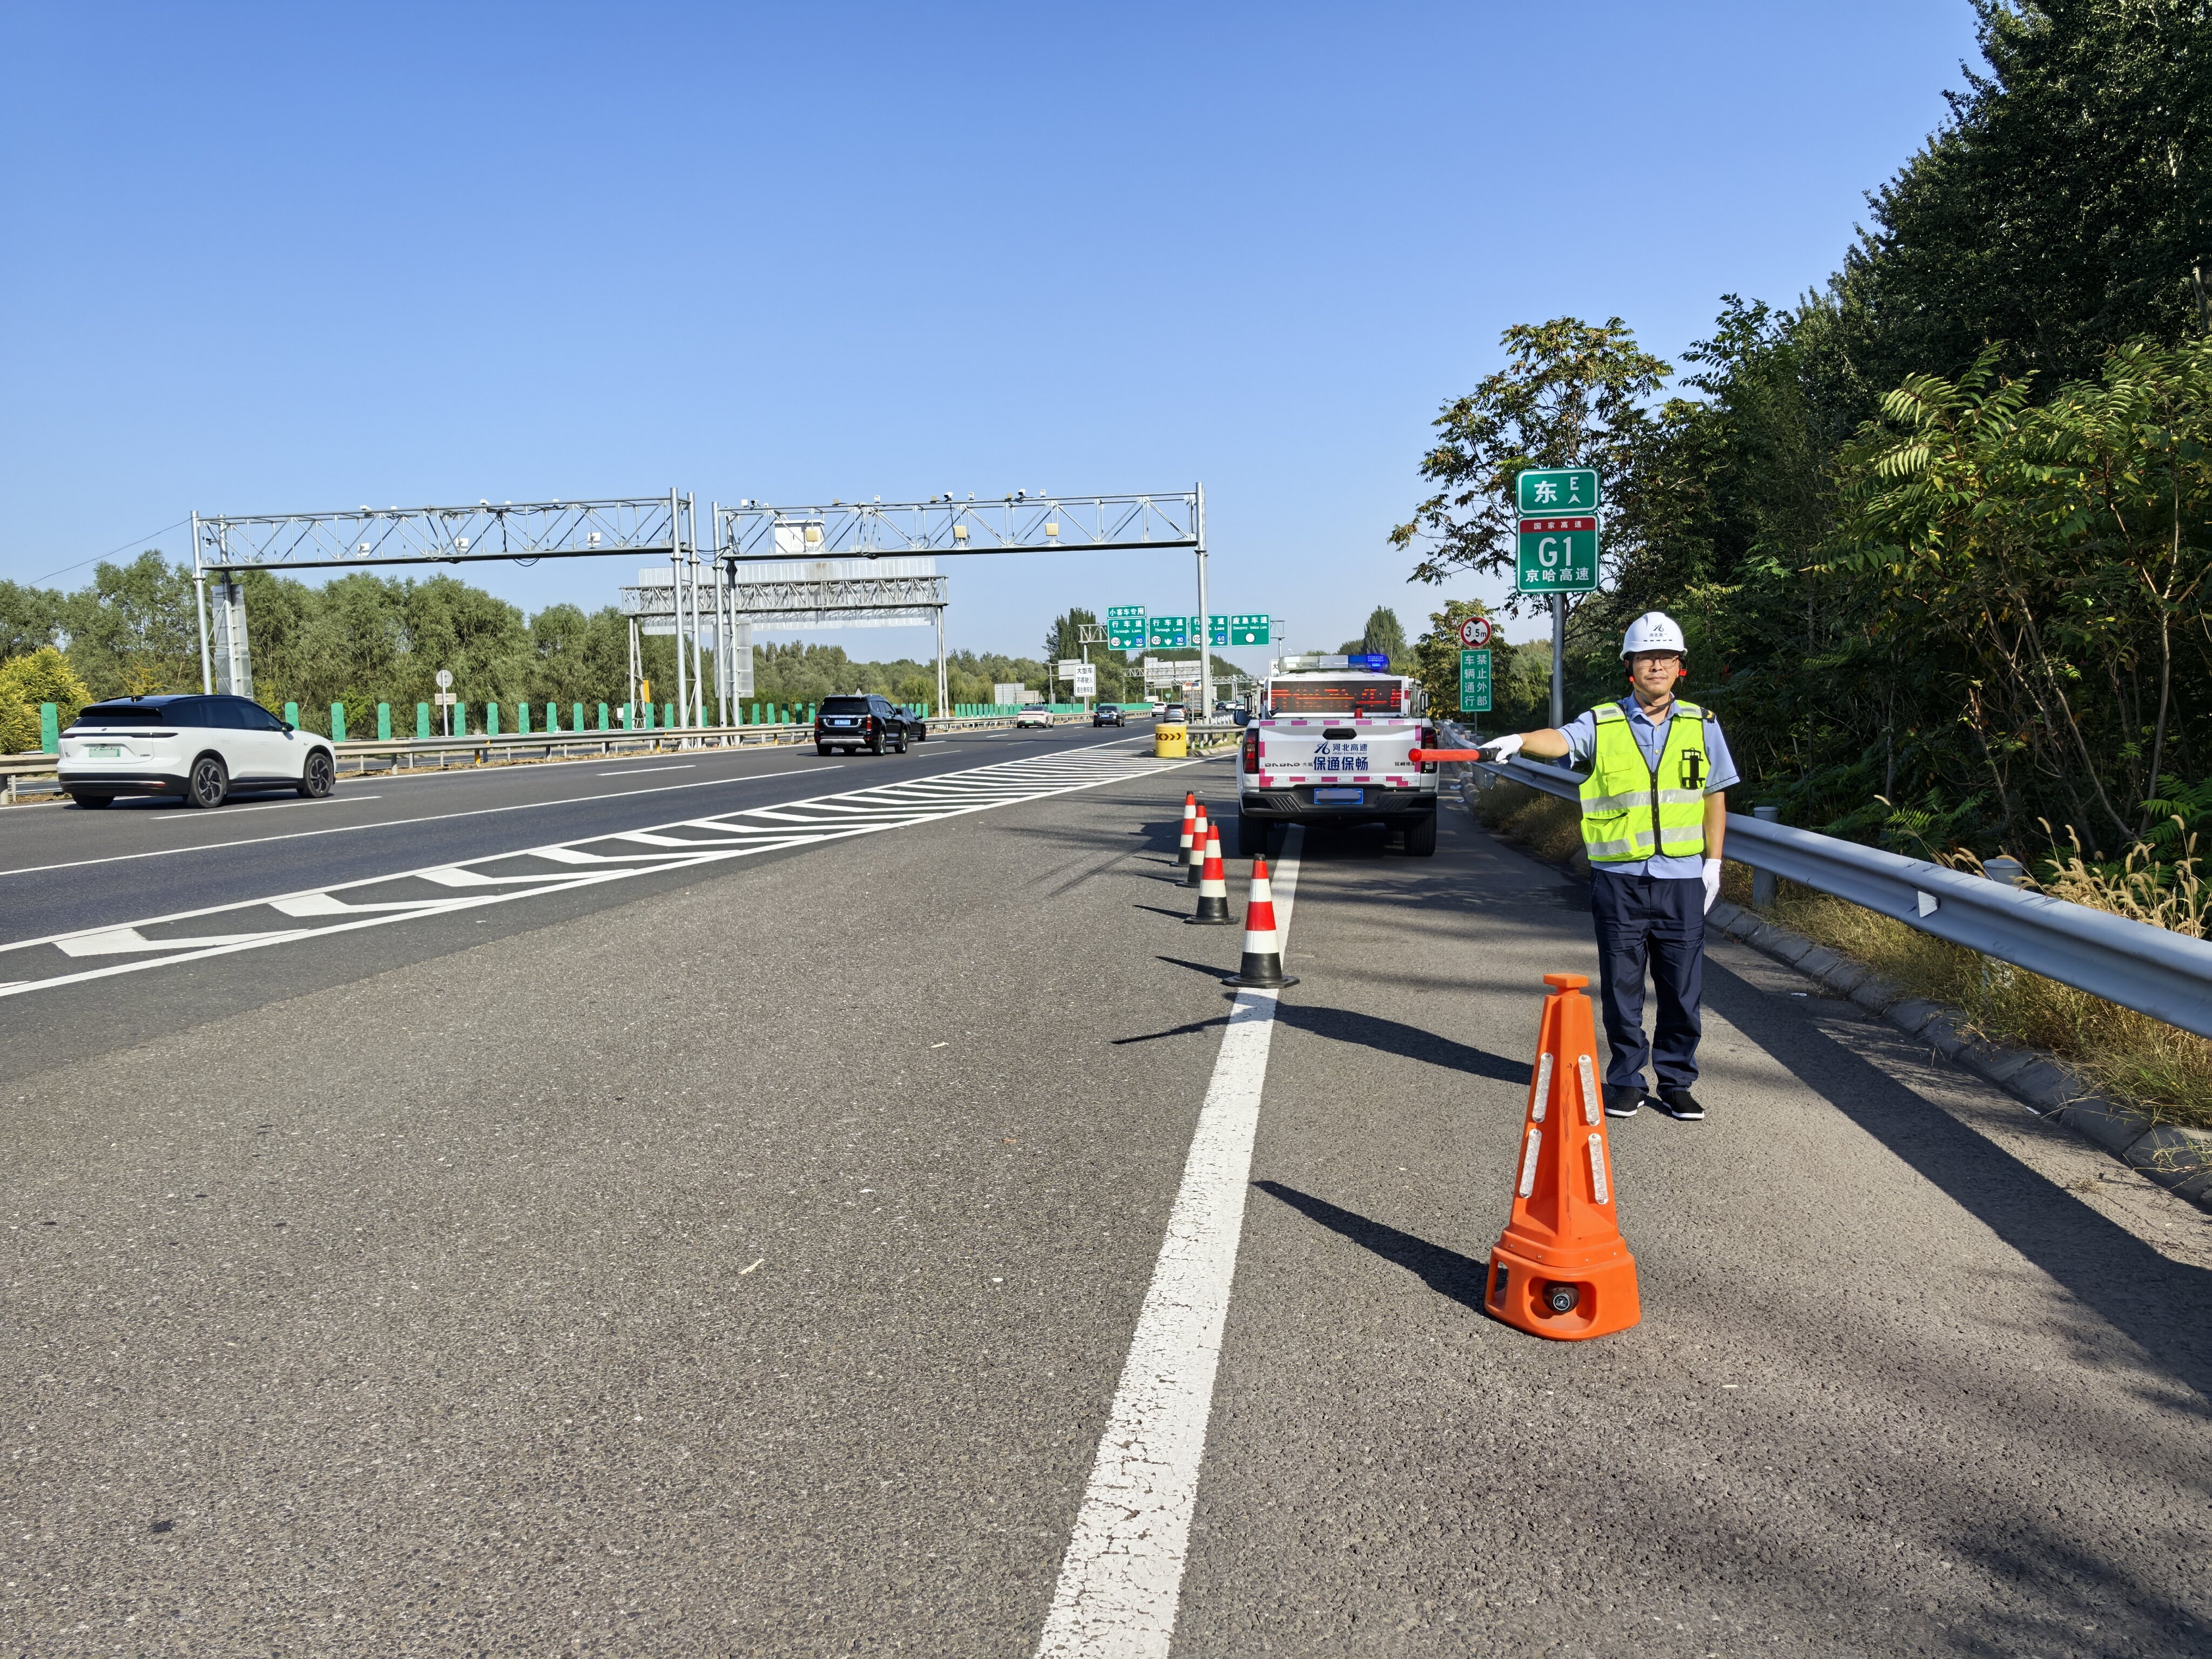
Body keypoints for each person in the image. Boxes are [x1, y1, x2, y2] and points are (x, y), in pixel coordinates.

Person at [1478, 611, 1738, 1121]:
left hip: (1682, 880)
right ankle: (1626, 1080)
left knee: (1682, 989)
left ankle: (1677, 1081)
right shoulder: (1602, 722)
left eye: (1666, 657)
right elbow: (1560, 740)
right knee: (1622, 987)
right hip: (1619, 880)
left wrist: (1714, 863)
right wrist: (1522, 739)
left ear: (1680, 666)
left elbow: (1715, 796)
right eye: (1646, 658)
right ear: (1630, 666)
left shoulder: (1702, 724)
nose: (1656, 666)